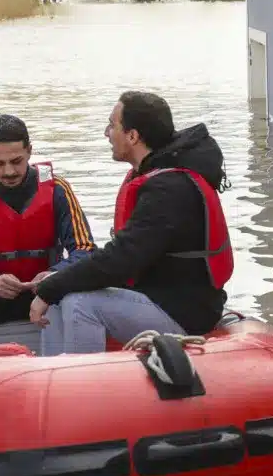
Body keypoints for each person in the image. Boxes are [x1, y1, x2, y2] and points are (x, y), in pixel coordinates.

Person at [29, 91, 232, 354]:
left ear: (133, 136)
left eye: (112, 125)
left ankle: (81, 389)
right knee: (60, 294)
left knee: (79, 303)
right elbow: (124, 255)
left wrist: (52, 287)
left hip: (183, 313)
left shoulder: (169, 189)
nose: (107, 133)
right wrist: (59, 280)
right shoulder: (156, 175)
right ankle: (53, 378)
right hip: (157, 297)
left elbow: (122, 259)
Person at [0, 115, 98, 348]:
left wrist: (54, 275)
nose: (9, 172)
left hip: (45, 292)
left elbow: (85, 249)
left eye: (16, 161)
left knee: (79, 287)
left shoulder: (58, 189)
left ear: (30, 152)